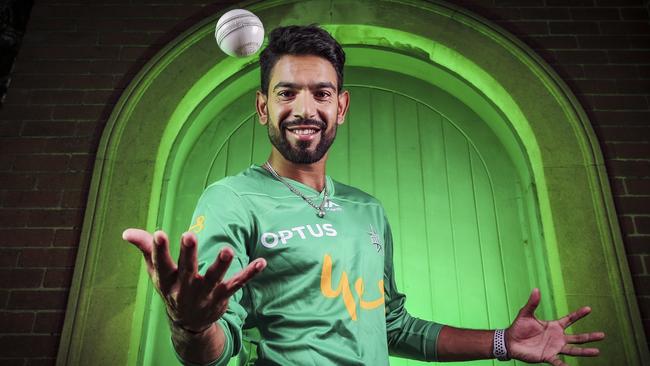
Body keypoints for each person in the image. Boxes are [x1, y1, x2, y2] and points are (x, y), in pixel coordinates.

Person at [123, 25, 605, 366]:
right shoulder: (231, 200)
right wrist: (190, 326)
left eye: (322, 93)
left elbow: (393, 325)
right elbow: (212, 347)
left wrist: (502, 342)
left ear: (342, 105)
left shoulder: (367, 210)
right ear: (262, 107)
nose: (305, 108)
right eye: (287, 93)